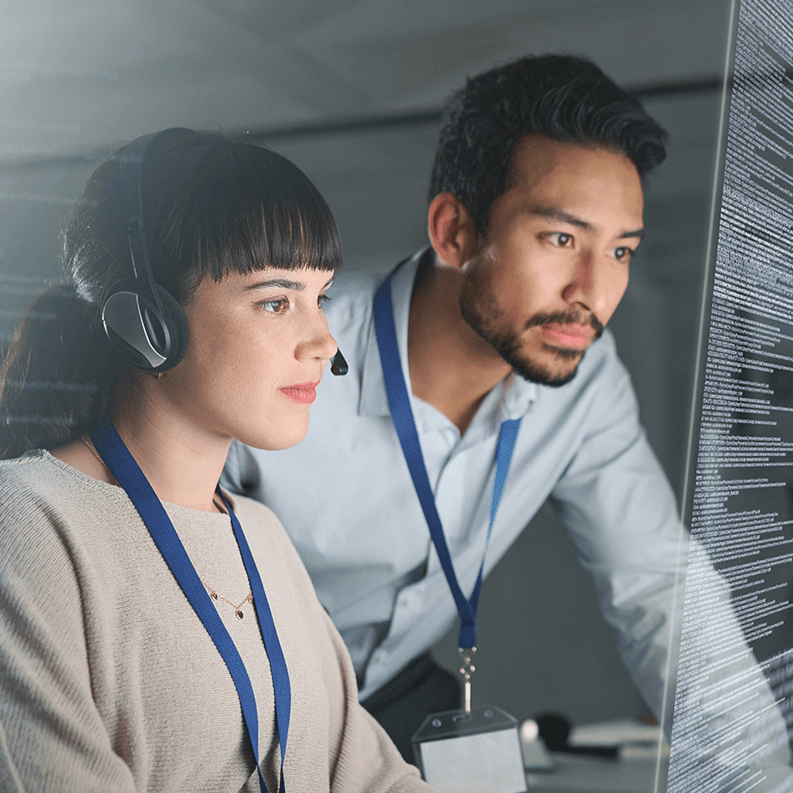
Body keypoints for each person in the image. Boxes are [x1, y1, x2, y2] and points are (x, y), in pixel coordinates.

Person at [221, 53, 793, 782]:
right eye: (560, 239)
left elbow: (660, 587)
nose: (594, 290)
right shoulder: (282, 353)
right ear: (454, 231)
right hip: (239, 700)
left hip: (392, 693)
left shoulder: (583, 381)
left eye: (620, 250)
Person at [0, 128, 435, 792]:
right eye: (274, 301)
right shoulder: (27, 525)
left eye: (319, 298)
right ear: (149, 323)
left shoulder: (259, 532)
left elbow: (373, 777)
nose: (322, 341)